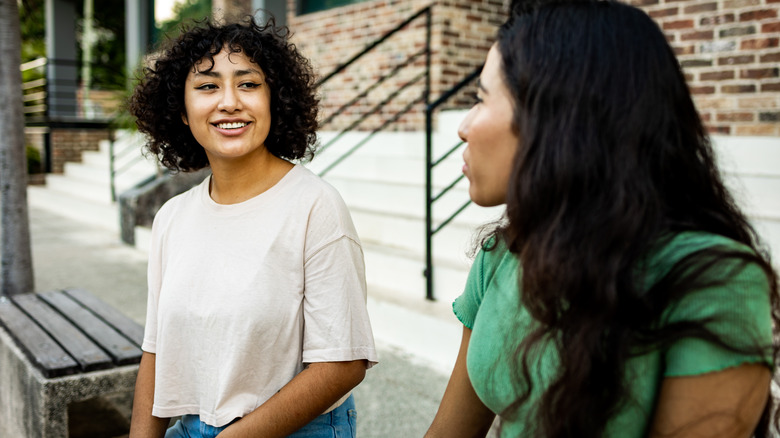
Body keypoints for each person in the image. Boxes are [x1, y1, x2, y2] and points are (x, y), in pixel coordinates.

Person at [426, 1, 779, 437]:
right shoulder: (505, 252)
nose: (463, 126)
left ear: (557, 118)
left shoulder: (713, 281)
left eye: (480, 99)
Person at [127, 16, 377, 438]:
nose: (229, 102)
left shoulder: (315, 206)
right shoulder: (171, 217)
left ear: (274, 100)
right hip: (192, 425)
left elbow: (343, 363)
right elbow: (156, 351)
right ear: (182, 113)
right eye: (207, 86)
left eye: (248, 84)